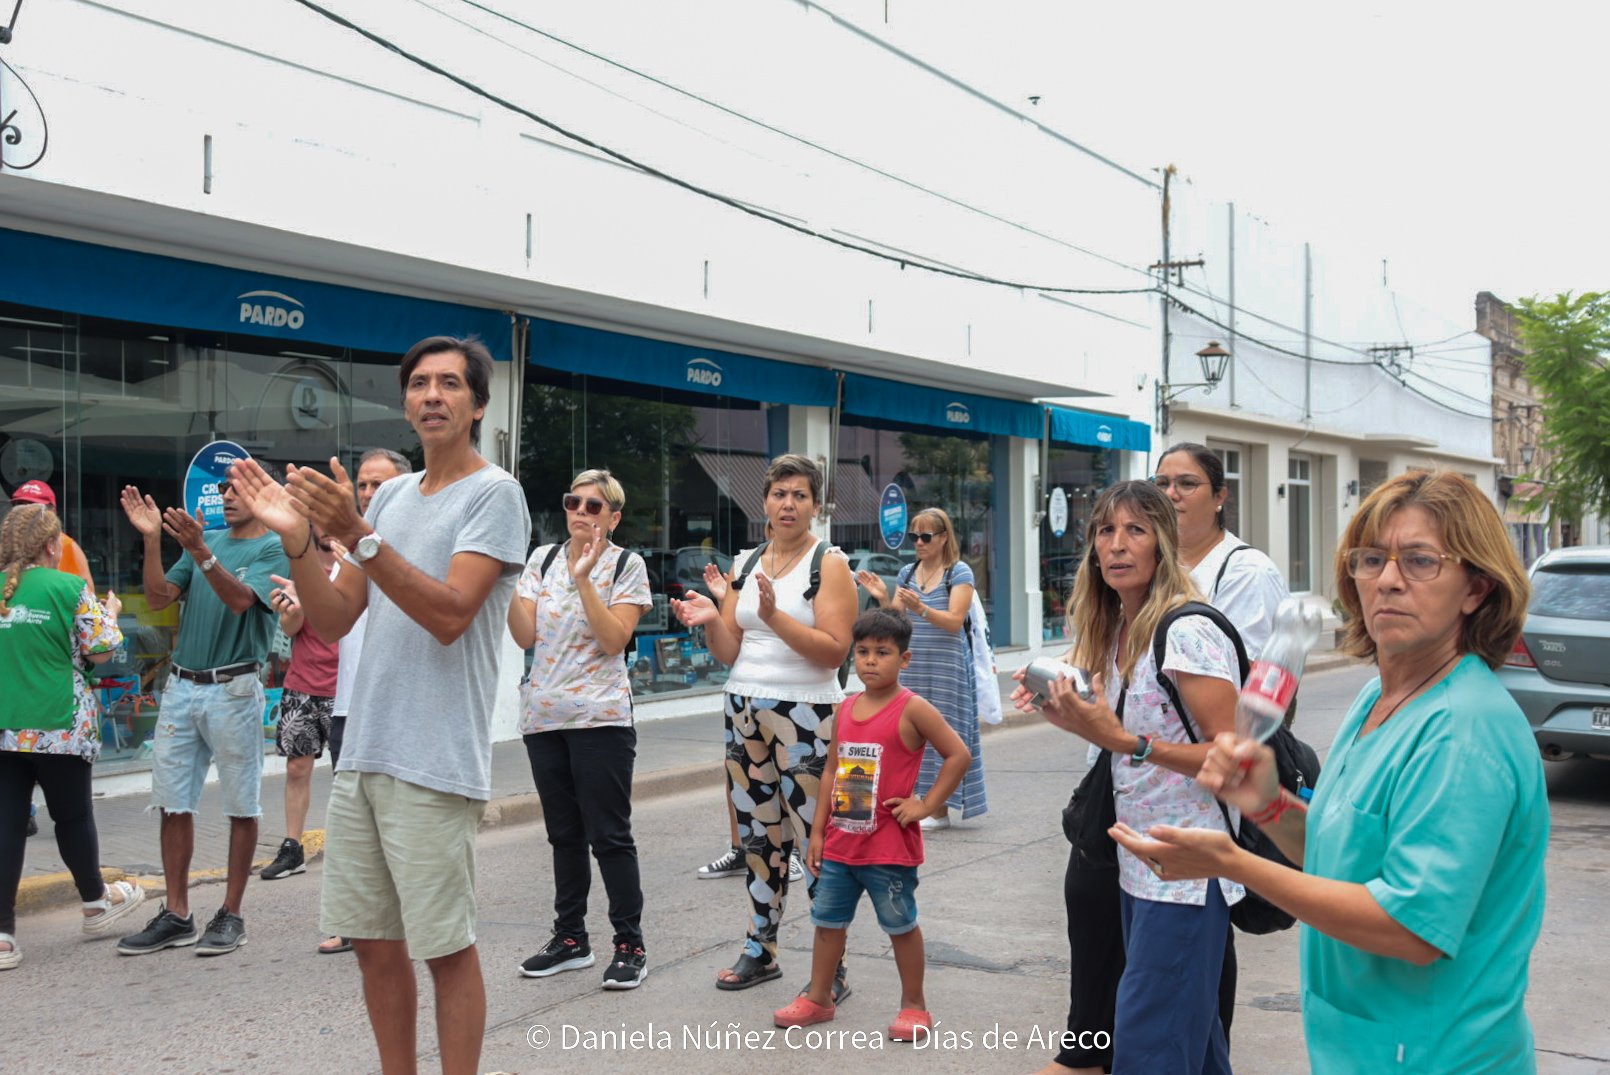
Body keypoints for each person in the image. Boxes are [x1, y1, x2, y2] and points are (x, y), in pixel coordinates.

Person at [1113, 470, 1546, 1075]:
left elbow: (1411, 928)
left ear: (1475, 588)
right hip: (1361, 1050)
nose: (1387, 580)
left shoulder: (1463, 730)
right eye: (1371, 559)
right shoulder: (1378, 699)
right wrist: (1268, 805)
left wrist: (1232, 862)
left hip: (1436, 1057)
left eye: (1420, 561)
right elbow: (1342, 854)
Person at [231, 335, 530, 1075]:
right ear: (405, 403)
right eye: (419, 383)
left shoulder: (495, 494)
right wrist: (300, 539)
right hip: (363, 748)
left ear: (478, 405)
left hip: (434, 757)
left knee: (444, 948)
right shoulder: (393, 496)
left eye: (450, 384)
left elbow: (451, 613)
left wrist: (358, 535)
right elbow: (334, 618)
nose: (432, 395)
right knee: (371, 939)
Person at [1016, 479, 1241, 1075]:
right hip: (1137, 867)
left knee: (1148, 1045)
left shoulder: (1185, 631)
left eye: (1135, 530)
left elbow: (1234, 758)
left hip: (1187, 874)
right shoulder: (1119, 630)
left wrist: (1127, 742)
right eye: (1105, 530)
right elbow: (1121, 746)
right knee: (1192, 1046)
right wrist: (1070, 714)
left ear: (1162, 543)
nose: (1116, 544)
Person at [670, 453, 856, 994]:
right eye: (779, 494)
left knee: (816, 840)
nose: (788, 504)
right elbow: (731, 651)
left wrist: (774, 617)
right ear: (765, 502)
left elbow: (834, 651)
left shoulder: (829, 563)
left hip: (808, 714)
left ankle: (832, 967)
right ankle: (761, 949)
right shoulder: (747, 562)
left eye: (800, 495)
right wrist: (711, 619)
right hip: (743, 709)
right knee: (758, 836)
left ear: (816, 506)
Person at [772, 608, 970, 1040]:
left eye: (883, 652)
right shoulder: (846, 708)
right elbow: (831, 770)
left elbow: (959, 755)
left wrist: (925, 804)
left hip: (889, 848)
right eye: (862, 652)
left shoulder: (913, 708)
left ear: (905, 659)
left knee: (900, 925)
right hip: (842, 843)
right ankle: (819, 997)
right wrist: (818, 832)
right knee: (827, 922)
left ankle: (914, 1005)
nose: (871, 661)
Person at [115, 471, 287, 957]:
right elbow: (157, 598)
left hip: (234, 688)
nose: (227, 496)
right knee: (172, 801)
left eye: (238, 489)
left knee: (241, 805)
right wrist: (153, 540)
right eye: (225, 488)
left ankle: (231, 913)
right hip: (182, 686)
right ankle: (177, 914)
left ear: (262, 496)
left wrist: (200, 552)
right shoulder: (206, 539)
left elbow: (239, 600)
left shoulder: (274, 548)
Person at [1155, 441, 1293, 1046]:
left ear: (1220, 496)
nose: (1171, 495)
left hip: (1205, 775)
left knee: (1199, 929)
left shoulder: (1244, 572)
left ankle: (1205, 1053)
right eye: (1161, 483)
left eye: (1186, 483)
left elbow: (1252, 689)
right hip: (1144, 779)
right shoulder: (1152, 561)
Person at [507, 468, 653, 989]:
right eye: (574, 502)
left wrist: (586, 579)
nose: (581, 512)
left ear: (613, 518)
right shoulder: (542, 560)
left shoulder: (627, 566)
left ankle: (630, 945)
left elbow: (614, 640)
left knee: (609, 835)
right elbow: (524, 634)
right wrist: (505, 585)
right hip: (543, 718)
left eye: (594, 506)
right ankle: (571, 938)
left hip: (600, 719)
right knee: (563, 835)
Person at [0, 505, 145, 969]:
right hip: (60, 725)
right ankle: (95, 903)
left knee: (6, 826)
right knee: (72, 817)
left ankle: (3, 937)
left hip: (5, 725)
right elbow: (102, 650)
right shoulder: (68, 587)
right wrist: (111, 613)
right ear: (51, 546)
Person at [317, 447, 411, 956]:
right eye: (364, 484)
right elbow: (331, 623)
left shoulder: (407, 545)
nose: (370, 493)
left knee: (402, 822)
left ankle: (404, 913)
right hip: (348, 707)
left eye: (380, 484)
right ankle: (359, 920)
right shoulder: (347, 554)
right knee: (354, 824)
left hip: (398, 706)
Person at [857, 507, 986, 830]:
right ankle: (916, 799)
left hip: (947, 667)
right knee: (910, 731)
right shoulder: (907, 572)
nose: (918, 543)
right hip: (914, 664)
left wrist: (922, 608)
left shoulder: (959, 572)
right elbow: (897, 622)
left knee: (945, 731)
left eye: (926, 536)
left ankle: (938, 809)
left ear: (943, 538)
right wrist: (883, 599)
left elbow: (954, 621)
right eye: (914, 536)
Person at [256, 525, 340, 882]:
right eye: (318, 519)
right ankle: (293, 848)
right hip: (303, 685)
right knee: (296, 769)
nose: (326, 526)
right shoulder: (300, 572)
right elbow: (290, 629)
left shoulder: (357, 568)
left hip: (348, 688)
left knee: (351, 776)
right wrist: (295, 607)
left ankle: (357, 847)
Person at [10, 481, 94, 590]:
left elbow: (86, 592)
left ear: (52, 511)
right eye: (20, 506)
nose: (27, 512)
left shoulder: (66, 545)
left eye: (35, 507)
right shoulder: (6, 543)